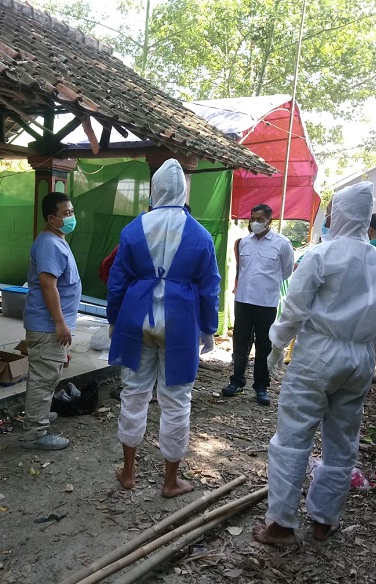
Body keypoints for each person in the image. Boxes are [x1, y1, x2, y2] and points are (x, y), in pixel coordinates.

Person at [252, 181, 376, 545]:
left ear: (340, 215)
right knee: (342, 440)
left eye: (331, 212)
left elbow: (295, 308)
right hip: (360, 356)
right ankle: (324, 519)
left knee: (293, 436)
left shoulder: (320, 256)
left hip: (318, 353)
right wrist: (370, 353)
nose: (328, 218)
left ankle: (282, 525)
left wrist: (276, 346)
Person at [107, 159, 219, 498]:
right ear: (184, 191)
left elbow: (117, 281)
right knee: (176, 401)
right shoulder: (199, 235)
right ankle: (170, 482)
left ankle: (128, 472)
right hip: (180, 322)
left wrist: (114, 319)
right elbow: (209, 287)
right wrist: (209, 328)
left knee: (134, 394)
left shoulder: (133, 229)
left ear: (154, 190)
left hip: (136, 318)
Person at [20, 191, 82, 451]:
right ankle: (35, 433)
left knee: (48, 376)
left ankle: (40, 415)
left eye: (71, 212)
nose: (71, 217)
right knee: (43, 380)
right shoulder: (49, 244)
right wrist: (59, 322)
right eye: (65, 214)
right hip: (47, 327)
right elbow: (48, 285)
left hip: (49, 326)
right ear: (51, 218)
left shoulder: (57, 239)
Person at [221, 204, 294, 405]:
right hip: (243, 300)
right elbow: (242, 270)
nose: (255, 222)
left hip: (266, 302)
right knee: (240, 342)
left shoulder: (282, 244)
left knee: (264, 345)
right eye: (252, 218)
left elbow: (286, 272)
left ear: (270, 220)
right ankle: (236, 381)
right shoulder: (244, 243)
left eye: (260, 219)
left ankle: (261, 386)